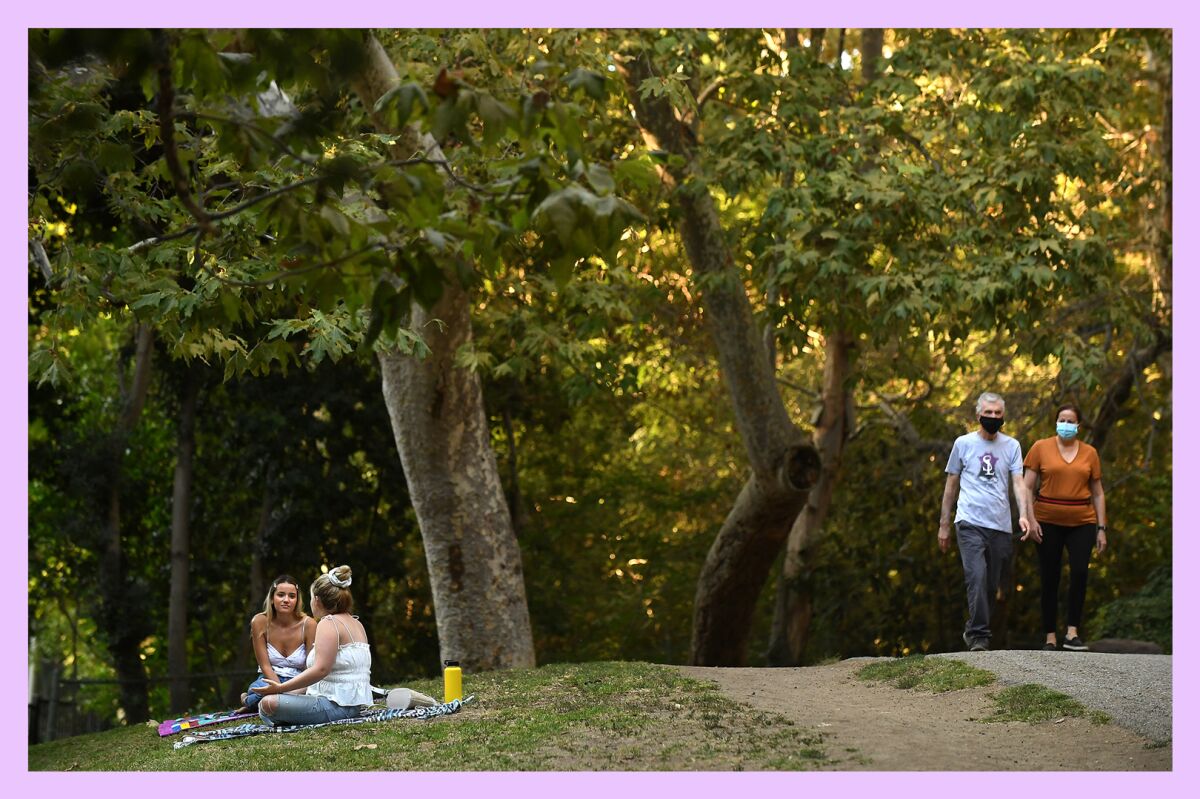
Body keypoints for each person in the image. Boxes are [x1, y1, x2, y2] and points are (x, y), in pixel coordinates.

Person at [938, 391, 1038, 652]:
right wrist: (944, 524)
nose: (993, 417)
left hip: (1000, 526)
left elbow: (1018, 483)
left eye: (997, 413)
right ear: (978, 414)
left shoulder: (1012, 446)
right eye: (988, 412)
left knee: (991, 584)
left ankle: (973, 627)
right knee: (977, 576)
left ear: (1003, 416)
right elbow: (951, 485)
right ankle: (979, 636)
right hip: (969, 521)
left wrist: (1024, 515)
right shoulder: (964, 443)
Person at [1022, 403, 1107, 652]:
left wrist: (1102, 528)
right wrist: (1031, 519)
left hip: (1082, 521)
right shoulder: (1040, 448)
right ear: (1055, 422)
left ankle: (1072, 633)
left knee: (1080, 572)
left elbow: (1098, 493)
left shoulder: (1090, 453)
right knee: (1050, 576)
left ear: (1079, 425)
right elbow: (1026, 487)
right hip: (1046, 520)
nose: (1066, 425)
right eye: (1062, 420)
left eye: (1071, 421)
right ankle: (1050, 636)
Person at [254, 565, 373, 726]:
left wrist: (280, 688)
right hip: (353, 705)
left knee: (267, 704)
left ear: (316, 600)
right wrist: (287, 692)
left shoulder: (328, 623)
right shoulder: (356, 623)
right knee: (274, 700)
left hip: (337, 706)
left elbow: (320, 670)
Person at [237, 575, 317, 713]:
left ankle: (249, 702)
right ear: (272, 599)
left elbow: (311, 666)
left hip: (298, 681)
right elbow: (265, 666)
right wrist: (279, 689)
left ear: (297, 600)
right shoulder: (260, 621)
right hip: (269, 678)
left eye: (292, 596)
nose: (286, 600)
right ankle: (252, 700)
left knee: (299, 696)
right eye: (281, 595)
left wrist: (286, 690)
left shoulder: (309, 624)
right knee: (261, 690)